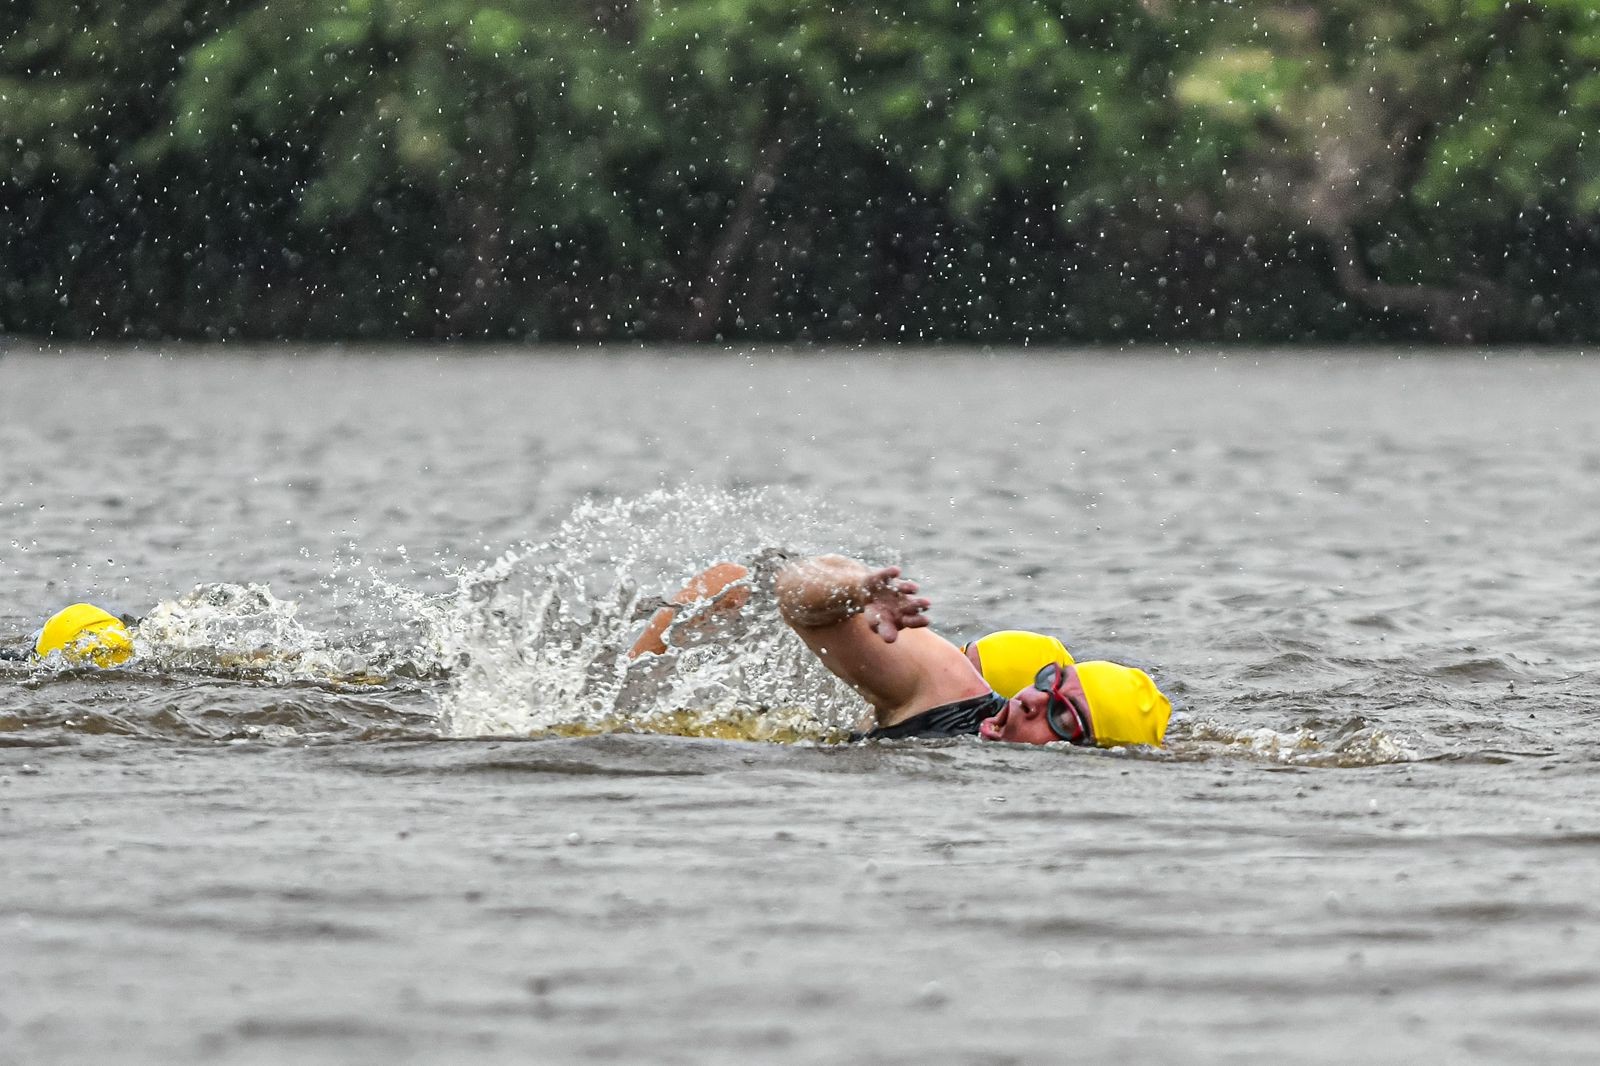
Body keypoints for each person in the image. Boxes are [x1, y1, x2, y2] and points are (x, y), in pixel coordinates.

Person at [632, 554, 1172, 748]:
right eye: (1049, 682)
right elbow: (795, 588)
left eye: (1061, 714)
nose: (1034, 700)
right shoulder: (952, 694)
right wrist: (856, 590)